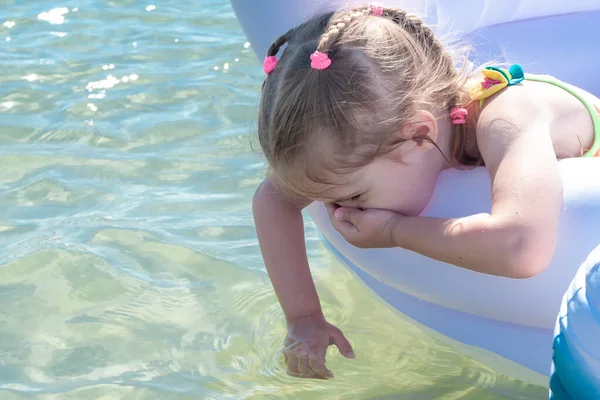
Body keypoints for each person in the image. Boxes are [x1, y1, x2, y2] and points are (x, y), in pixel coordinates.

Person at [251, 4, 600, 380]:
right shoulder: (377, 140)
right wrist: (303, 316)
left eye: (352, 197)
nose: (338, 212)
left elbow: (523, 249)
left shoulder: (508, 118)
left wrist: (394, 232)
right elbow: (273, 198)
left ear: (420, 135)